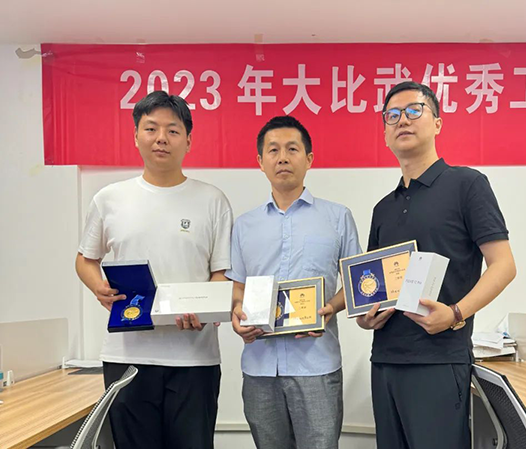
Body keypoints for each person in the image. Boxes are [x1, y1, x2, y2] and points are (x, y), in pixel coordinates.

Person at [358, 81, 517, 449]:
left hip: (439, 360)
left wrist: (456, 313)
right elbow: (372, 285)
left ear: (438, 123)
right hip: (384, 361)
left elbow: (504, 265)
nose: (402, 120)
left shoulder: (467, 185)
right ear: (385, 132)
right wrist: (365, 317)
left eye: (414, 111)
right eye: (392, 115)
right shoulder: (383, 208)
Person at [75, 91, 232, 449]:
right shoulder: (109, 198)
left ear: (188, 141)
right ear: (136, 136)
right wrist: (98, 286)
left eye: (173, 130)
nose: (161, 138)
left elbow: (221, 273)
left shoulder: (213, 200)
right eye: (151, 128)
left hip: (194, 358)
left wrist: (207, 311)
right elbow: (85, 259)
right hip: (127, 356)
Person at [225, 116, 361, 449]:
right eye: (273, 150)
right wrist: (237, 315)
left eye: (292, 149)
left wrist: (330, 308)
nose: (282, 157)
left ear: (309, 158)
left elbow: (356, 282)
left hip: (317, 363)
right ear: (260, 161)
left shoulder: (337, 217)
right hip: (259, 365)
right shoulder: (244, 225)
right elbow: (238, 285)